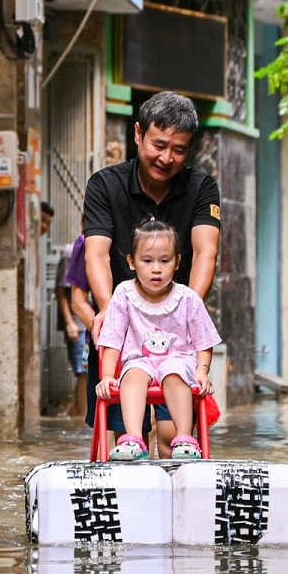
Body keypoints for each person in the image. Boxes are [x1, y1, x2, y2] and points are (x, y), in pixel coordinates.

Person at [81, 92, 222, 453]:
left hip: (177, 334)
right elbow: (96, 253)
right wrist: (106, 310)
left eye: (178, 149)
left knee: (174, 437)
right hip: (122, 322)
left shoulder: (201, 187)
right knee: (119, 435)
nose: (167, 158)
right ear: (138, 133)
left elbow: (207, 251)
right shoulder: (104, 185)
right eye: (159, 144)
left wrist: (185, 311)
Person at [95, 219, 221, 461]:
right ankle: (134, 440)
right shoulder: (123, 294)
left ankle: (185, 438)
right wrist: (108, 375)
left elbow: (204, 342)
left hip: (179, 360)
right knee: (132, 373)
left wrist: (202, 371)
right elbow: (112, 340)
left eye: (165, 261)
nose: (156, 269)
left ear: (177, 263)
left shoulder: (187, 298)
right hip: (139, 361)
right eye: (147, 261)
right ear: (132, 262)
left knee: (174, 371)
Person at [55, 230, 100, 422]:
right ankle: (80, 415)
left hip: (92, 323)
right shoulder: (78, 248)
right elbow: (64, 293)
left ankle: (77, 412)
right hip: (84, 324)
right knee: (84, 372)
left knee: (86, 372)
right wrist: (70, 322)